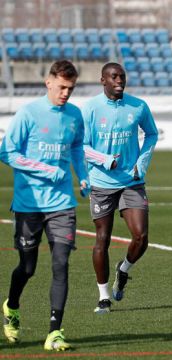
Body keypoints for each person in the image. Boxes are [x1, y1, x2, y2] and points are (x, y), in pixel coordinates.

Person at [0, 60, 89, 351]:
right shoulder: (28, 113)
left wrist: (84, 176)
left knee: (61, 264)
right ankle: (12, 306)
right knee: (27, 268)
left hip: (62, 203)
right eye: (62, 87)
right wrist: (44, 169)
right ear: (48, 82)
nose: (66, 93)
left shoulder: (75, 115)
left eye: (71, 88)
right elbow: (7, 152)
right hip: (29, 203)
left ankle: (55, 332)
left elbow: (77, 146)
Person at [82, 62, 158, 314]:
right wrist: (104, 159)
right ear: (103, 80)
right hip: (102, 184)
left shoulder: (138, 106)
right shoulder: (91, 109)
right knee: (101, 240)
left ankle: (123, 269)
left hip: (131, 182)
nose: (119, 81)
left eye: (122, 77)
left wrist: (142, 163)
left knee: (141, 237)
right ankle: (103, 297)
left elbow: (151, 134)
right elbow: (80, 145)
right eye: (114, 77)